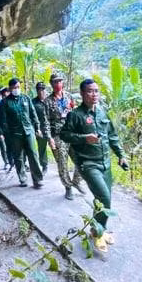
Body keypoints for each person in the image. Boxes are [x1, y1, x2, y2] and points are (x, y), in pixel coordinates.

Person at [60, 79, 127, 253]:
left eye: (96, 91)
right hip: (88, 163)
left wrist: (121, 155)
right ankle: (98, 233)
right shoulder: (75, 115)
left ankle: (98, 229)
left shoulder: (103, 112)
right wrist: (84, 138)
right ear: (82, 94)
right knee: (105, 199)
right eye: (90, 91)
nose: (94, 94)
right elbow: (64, 135)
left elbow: (112, 136)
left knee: (101, 199)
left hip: (105, 163)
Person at [0, 78, 45, 188]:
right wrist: (8, 133)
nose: (16, 89)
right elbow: (3, 120)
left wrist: (37, 127)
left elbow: (33, 113)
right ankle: (23, 179)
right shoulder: (5, 102)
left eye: (18, 87)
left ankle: (37, 180)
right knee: (18, 157)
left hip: (28, 131)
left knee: (33, 155)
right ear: (10, 88)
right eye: (14, 87)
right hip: (15, 134)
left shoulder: (26, 98)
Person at [43, 72, 84, 200]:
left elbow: (74, 112)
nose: (58, 84)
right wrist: (49, 138)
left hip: (72, 132)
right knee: (62, 163)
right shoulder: (47, 101)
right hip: (58, 135)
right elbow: (45, 121)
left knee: (81, 158)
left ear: (62, 82)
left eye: (59, 81)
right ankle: (68, 187)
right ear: (51, 84)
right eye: (55, 82)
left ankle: (76, 181)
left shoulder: (69, 96)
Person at [32, 82, 51, 177]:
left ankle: (61, 165)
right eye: (39, 89)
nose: (41, 91)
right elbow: (31, 117)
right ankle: (44, 165)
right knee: (42, 148)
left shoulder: (50, 100)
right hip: (40, 129)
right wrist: (35, 129)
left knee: (56, 147)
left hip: (52, 128)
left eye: (42, 89)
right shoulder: (33, 102)